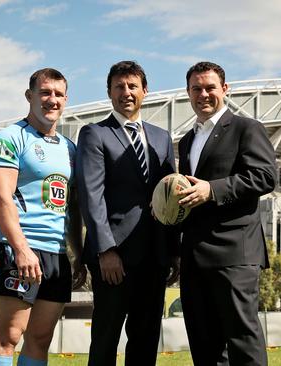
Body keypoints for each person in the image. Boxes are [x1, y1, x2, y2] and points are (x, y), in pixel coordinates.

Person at [75, 61, 179, 366]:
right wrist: (106, 250)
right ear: (109, 92)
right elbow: (91, 196)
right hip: (114, 259)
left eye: (132, 86)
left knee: (145, 341)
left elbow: (171, 197)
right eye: (119, 86)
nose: (126, 92)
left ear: (145, 91)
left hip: (154, 258)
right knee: (105, 339)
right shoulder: (94, 134)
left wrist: (172, 252)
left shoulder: (162, 138)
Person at [0, 68, 87, 366]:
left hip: (56, 254)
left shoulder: (70, 149)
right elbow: (0, 198)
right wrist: (21, 249)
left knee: (41, 340)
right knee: (9, 336)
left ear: (66, 99)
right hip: (20, 249)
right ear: (29, 96)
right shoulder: (9, 138)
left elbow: (73, 205)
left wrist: (76, 253)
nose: (51, 100)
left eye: (57, 94)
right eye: (44, 93)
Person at [177, 61, 277, 365]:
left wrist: (213, 190)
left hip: (234, 255)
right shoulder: (187, 141)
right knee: (204, 347)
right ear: (188, 92)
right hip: (194, 257)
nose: (203, 94)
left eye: (210, 87)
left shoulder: (247, 128)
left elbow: (265, 177)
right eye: (196, 88)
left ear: (225, 89)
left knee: (243, 341)